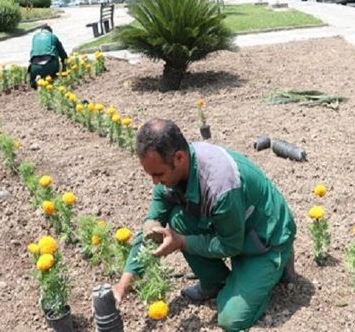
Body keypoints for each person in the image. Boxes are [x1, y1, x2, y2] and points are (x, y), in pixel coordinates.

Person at [113, 119, 296, 331]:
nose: (154, 181)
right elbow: (149, 228)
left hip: (266, 238)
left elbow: (231, 246)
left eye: (158, 174)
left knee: (231, 319)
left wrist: (182, 242)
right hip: (234, 225)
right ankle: (215, 283)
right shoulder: (174, 170)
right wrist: (122, 286)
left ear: (179, 158)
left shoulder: (220, 186)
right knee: (177, 220)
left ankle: (278, 262)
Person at [28, 24, 67, 89]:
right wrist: (64, 68)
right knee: (54, 52)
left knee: (33, 83)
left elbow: (32, 53)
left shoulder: (35, 37)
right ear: (50, 31)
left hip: (34, 67)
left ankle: (36, 82)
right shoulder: (53, 36)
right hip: (50, 65)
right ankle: (52, 80)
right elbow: (62, 54)